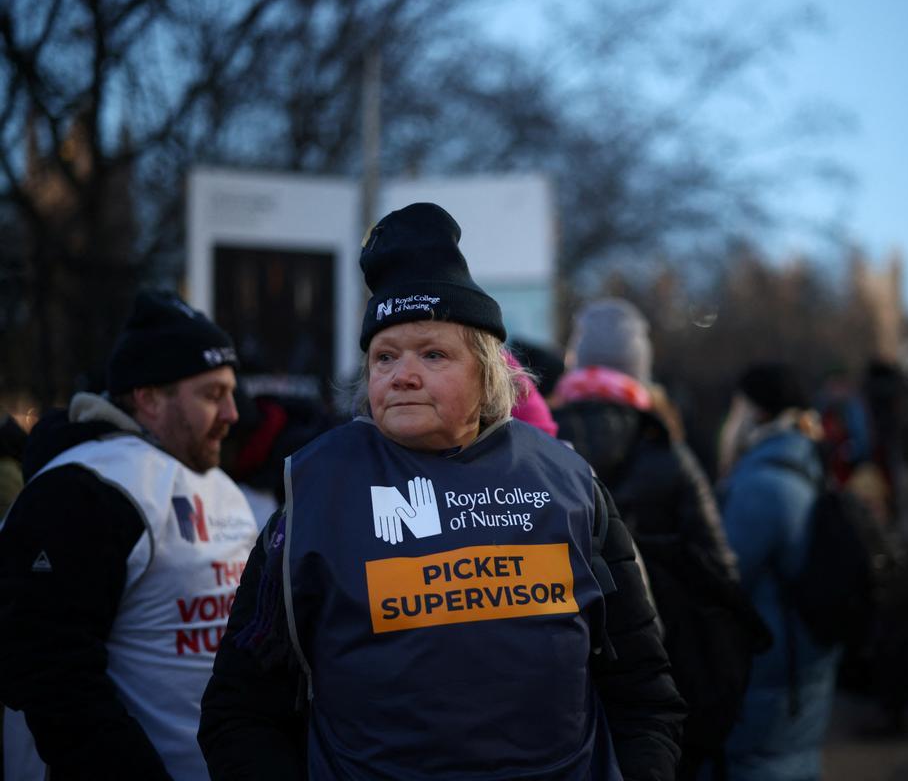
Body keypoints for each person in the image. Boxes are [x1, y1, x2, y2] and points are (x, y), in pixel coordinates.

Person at [198, 203, 684, 780]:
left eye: (432, 354)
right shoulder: (314, 494)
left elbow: (644, 693)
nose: (402, 375)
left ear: (488, 374)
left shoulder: (569, 483)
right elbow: (239, 710)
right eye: (385, 357)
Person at [0, 291, 258, 780]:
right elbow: (49, 673)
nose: (232, 414)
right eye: (211, 394)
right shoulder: (82, 489)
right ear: (149, 397)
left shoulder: (218, 484)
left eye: (230, 391)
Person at [552, 298, 750, 779]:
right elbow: (722, 567)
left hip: (564, 659)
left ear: (574, 361)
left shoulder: (542, 442)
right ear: (641, 367)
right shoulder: (668, 448)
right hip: (661, 656)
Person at [718, 362, 838, 781]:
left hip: (771, 669)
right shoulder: (804, 463)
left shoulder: (762, 485)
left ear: (758, 413)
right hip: (801, 660)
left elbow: (727, 580)